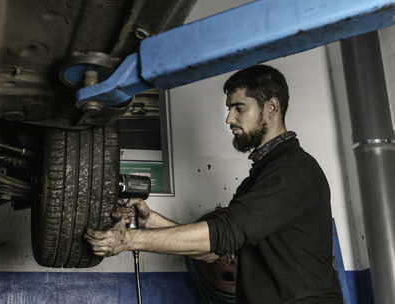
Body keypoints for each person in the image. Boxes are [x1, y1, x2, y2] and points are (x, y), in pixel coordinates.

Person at [84, 65, 343, 303]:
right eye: (229, 108)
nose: (229, 118)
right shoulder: (259, 177)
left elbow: (225, 233)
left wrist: (129, 239)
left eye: (239, 108)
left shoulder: (292, 171)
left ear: (271, 108)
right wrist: (153, 222)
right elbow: (216, 252)